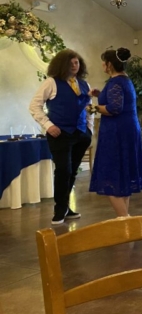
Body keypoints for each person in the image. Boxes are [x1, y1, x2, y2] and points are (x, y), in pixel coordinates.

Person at [29, 49, 93, 225]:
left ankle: (66, 206)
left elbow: (89, 108)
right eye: (70, 63)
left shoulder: (84, 84)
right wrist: (48, 125)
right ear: (62, 65)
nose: (74, 66)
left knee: (72, 171)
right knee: (63, 170)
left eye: (77, 62)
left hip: (81, 134)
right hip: (60, 134)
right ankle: (59, 208)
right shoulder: (51, 83)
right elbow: (34, 106)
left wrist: (89, 129)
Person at [89, 47, 142, 217]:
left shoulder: (115, 82)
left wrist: (93, 108)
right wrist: (100, 95)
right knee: (123, 177)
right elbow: (118, 100)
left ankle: (125, 219)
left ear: (109, 65)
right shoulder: (125, 80)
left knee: (111, 175)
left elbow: (114, 108)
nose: (102, 65)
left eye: (104, 62)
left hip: (116, 133)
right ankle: (124, 218)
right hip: (128, 130)